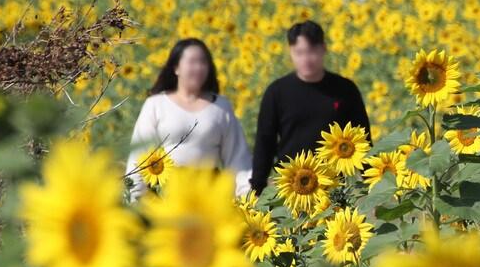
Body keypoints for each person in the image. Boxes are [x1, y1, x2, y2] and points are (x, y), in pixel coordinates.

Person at [249, 21, 371, 194]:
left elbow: (363, 139)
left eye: (312, 51)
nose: (306, 59)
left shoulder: (344, 90)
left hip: (334, 187)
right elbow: (264, 143)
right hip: (291, 187)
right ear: (290, 52)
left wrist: (371, 183)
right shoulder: (277, 92)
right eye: (299, 53)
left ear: (323, 49)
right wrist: (257, 188)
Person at [127, 38, 252, 199]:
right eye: (192, 62)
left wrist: (248, 199)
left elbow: (239, 160)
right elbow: (139, 155)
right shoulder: (156, 104)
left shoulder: (221, 107)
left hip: (210, 196)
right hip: (167, 195)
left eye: (203, 62)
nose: (199, 67)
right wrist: (134, 199)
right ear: (176, 68)